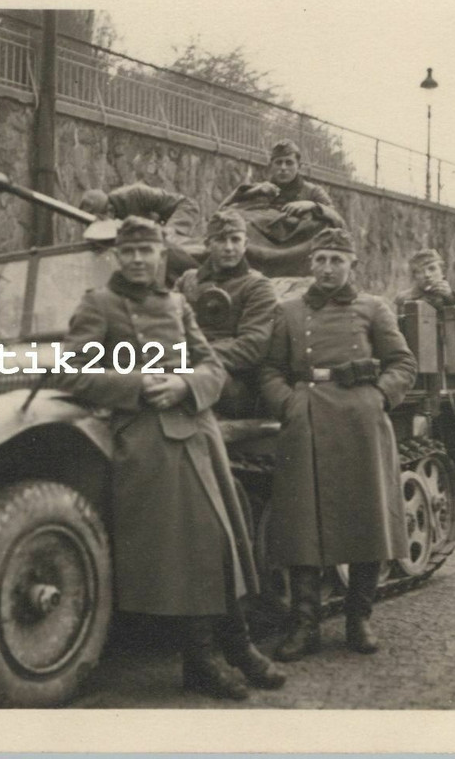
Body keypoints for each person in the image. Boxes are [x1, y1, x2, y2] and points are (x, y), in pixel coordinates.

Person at [58, 215, 285, 700]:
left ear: (163, 255)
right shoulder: (99, 304)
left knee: (226, 540)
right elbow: (70, 372)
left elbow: (211, 365)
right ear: (117, 257)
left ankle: (237, 645)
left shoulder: (178, 303)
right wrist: (136, 386)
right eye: (129, 252)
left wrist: (185, 383)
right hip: (146, 437)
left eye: (148, 251)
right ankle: (199, 661)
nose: (139, 260)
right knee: (189, 552)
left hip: (197, 429)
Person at [259, 228, 418, 661]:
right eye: (321, 259)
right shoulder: (289, 311)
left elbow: (403, 362)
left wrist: (379, 397)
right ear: (310, 264)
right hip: (306, 417)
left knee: (368, 519)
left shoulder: (373, 308)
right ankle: (305, 623)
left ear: (352, 265)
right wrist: (289, 403)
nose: (328, 268)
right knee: (302, 523)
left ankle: (359, 618)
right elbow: (271, 369)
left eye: (337, 259)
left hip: (360, 420)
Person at [175, 209, 276, 417]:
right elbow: (164, 323)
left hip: (233, 381)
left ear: (245, 244)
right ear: (207, 244)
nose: (229, 247)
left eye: (235, 239)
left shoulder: (257, 286)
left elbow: (252, 346)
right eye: (220, 240)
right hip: (181, 363)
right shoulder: (188, 280)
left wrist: (193, 357)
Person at [79, 182, 202, 284]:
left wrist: (169, 231)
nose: (105, 221)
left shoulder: (136, 194)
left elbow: (188, 204)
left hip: (166, 244)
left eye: (107, 214)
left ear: (110, 208)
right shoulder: (97, 231)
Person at [220, 139, 347, 229]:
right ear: (271, 166)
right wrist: (256, 190)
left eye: (289, 163)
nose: (283, 168)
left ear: (299, 167)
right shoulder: (261, 189)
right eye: (278, 162)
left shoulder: (313, 191)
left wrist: (312, 205)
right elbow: (224, 208)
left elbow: (337, 221)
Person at [394, 248, 455, 327]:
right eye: (420, 271)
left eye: (432, 268)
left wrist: (452, 297)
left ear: (442, 271)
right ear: (414, 276)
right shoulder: (404, 299)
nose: (427, 275)